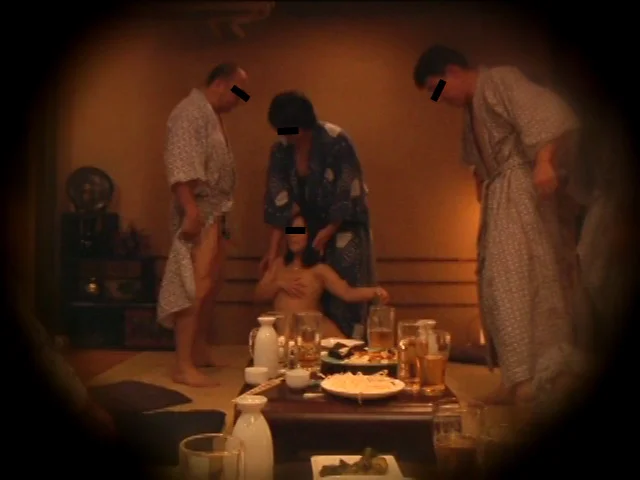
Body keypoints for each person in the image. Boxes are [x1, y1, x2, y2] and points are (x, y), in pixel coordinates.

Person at [413, 45, 582, 406]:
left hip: (519, 189)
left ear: (452, 71)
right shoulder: (472, 107)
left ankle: (534, 380)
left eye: (435, 87)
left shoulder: (499, 80)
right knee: (497, 286)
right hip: (500, 193)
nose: (437, 98)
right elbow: (479, 157)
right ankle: (515, 377)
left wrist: (545, 161)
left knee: (517, 281)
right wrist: (481, 177)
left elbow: (549, 113)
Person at [157, 62, 249, 387]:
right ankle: (183, 364)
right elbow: (180, 164)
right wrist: (191, 210)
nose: (240, 99)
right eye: (238, 91)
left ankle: (198, 348)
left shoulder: (210, 115)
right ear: (220, 83)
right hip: (199, 208)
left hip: (216, 210)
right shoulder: (189, 112)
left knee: (211, 284)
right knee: (196, 284)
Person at [260, 91, 376, 338]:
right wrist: (273, 252)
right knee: (303, 286)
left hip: (342, 226)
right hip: (300, 225)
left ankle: (346, 346)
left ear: (305, 124)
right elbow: (278, 201)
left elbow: (347, 191)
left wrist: (329, 230)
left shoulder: (335, 142)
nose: (285, 135)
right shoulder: (281, 150)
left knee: (342, 286)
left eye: (290, 129)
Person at [255, 214, 390, 338]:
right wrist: (279, 284)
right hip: (282, 338)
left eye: (299, 231)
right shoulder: (279, 265)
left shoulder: (319, 270)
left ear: (310, 235)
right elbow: (257, 296)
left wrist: (375, 292)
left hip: (310, 335)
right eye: (290, 231)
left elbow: (347, 292)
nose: (293, 236)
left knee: (345, 348)